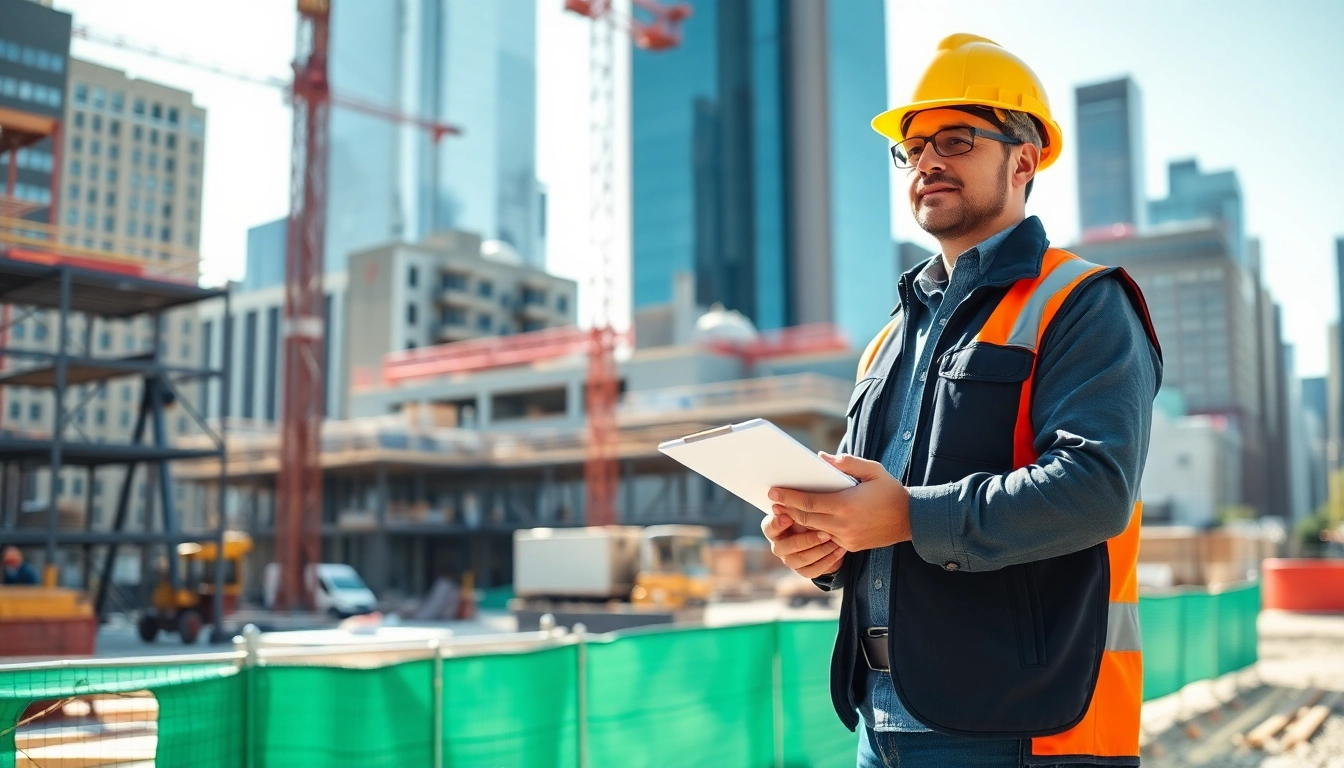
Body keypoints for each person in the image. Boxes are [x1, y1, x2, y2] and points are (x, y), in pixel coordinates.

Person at [762, 34, 1162, 768]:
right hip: (880, 716)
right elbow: (874, 521)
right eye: (912, 149)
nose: (926, 164)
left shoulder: (1081, 303)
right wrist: (821, 544)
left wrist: (910, 514)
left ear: (1023, 159)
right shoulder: (888, 339)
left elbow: (1095, 490)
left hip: (1020, 724)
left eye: (955, 140)